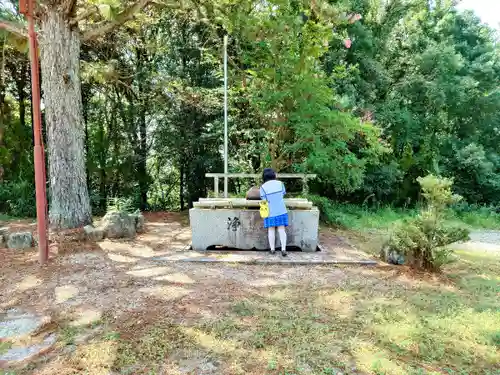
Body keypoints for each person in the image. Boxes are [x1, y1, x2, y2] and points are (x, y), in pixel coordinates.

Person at [260, 168, 288, 256]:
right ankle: (283, 249)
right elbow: (283, 194)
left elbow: (263, 199)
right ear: (273, 175)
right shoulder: (280, 184)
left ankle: (272, 249)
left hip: (270, 212)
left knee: (271, 230)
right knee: (281, 230)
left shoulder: (263, 187)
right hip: (281, 211)